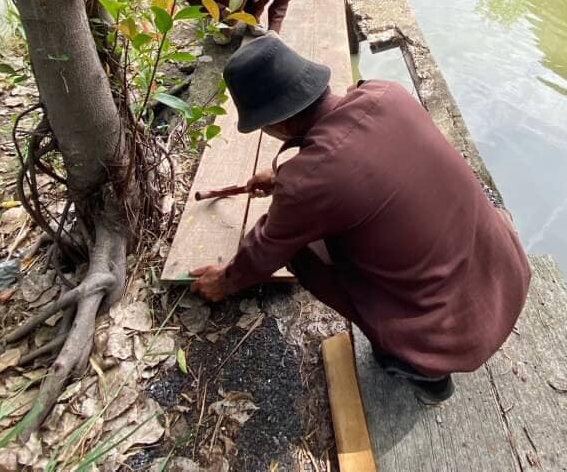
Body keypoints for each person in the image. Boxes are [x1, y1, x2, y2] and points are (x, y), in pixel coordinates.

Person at [189, 37, 531, 404]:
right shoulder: (387, 94)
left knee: (299, 252)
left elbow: (263, 252)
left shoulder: (309, 183)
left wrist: (223, 282)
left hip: (448, 335)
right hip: (505, 273)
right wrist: (284, 177)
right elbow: (361, 154)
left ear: (280, 124)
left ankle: (422, 368)